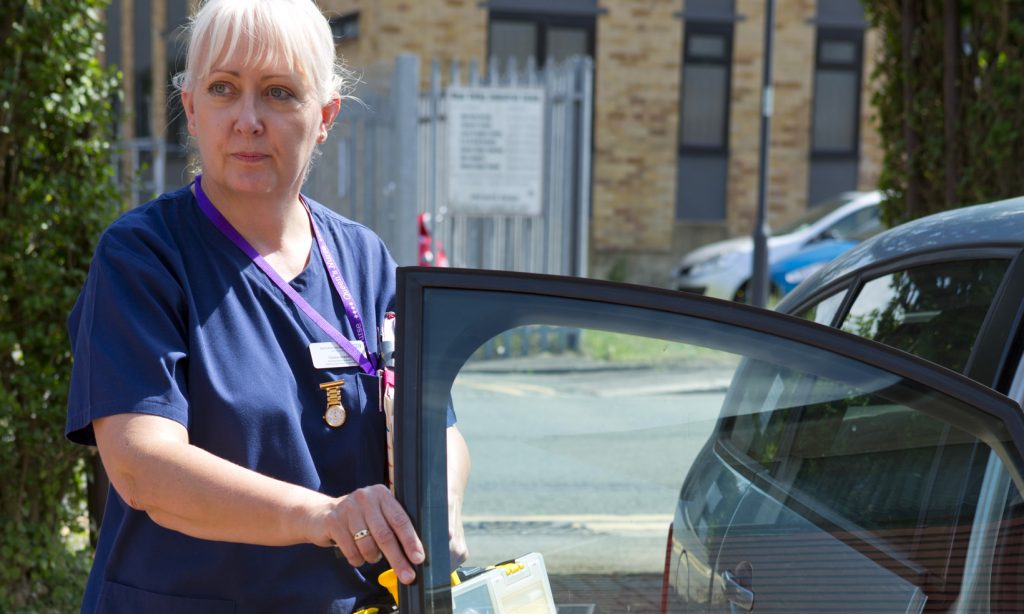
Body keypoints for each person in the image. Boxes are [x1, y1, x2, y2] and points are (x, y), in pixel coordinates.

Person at [64, 0, 470, 611]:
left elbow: (439, 427)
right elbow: (143, 467)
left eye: (279, 92)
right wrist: (323, 517)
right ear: (192, 109)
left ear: (325, 116)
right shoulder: (143, 257)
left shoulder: (365, 259)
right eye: (224, 88)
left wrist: (441, 510)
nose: (248, 119)